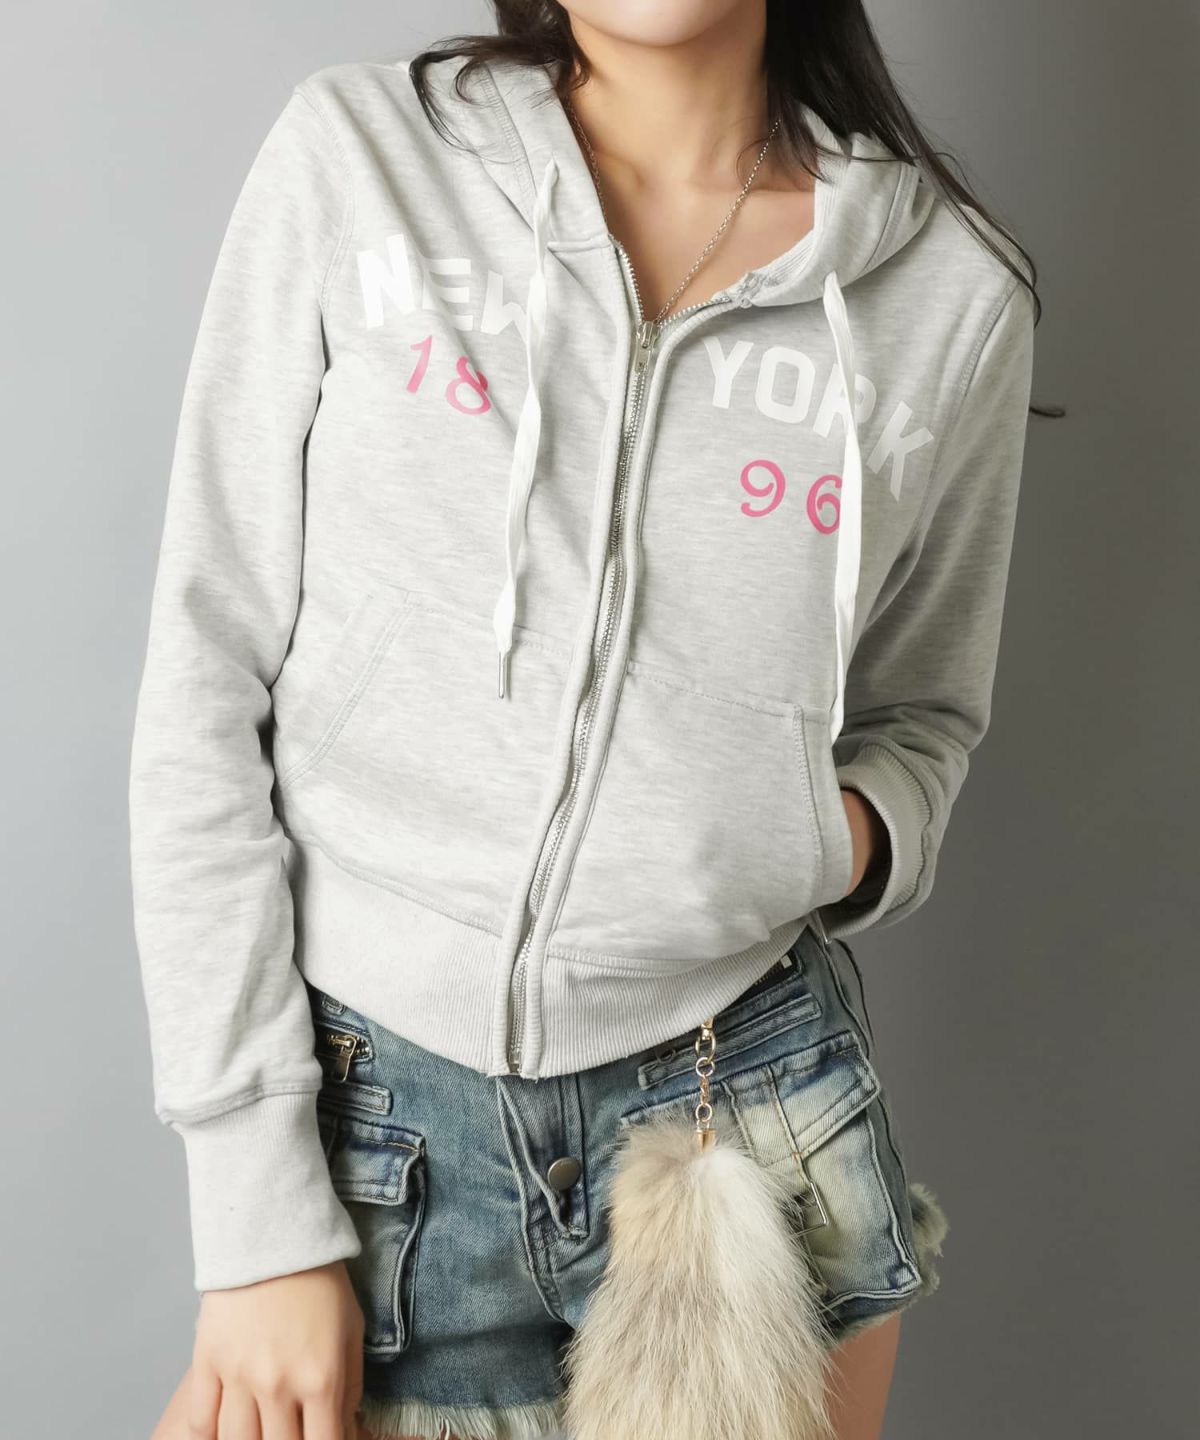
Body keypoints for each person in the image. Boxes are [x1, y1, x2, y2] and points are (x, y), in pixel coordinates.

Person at [129, 3, 1041, 1438]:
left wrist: (810, 836)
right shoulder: (365, 159)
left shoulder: (950, 291)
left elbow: (923, 713)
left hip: (749, 1127)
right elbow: (205, 677)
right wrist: (257, 1218)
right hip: (375, 1117)